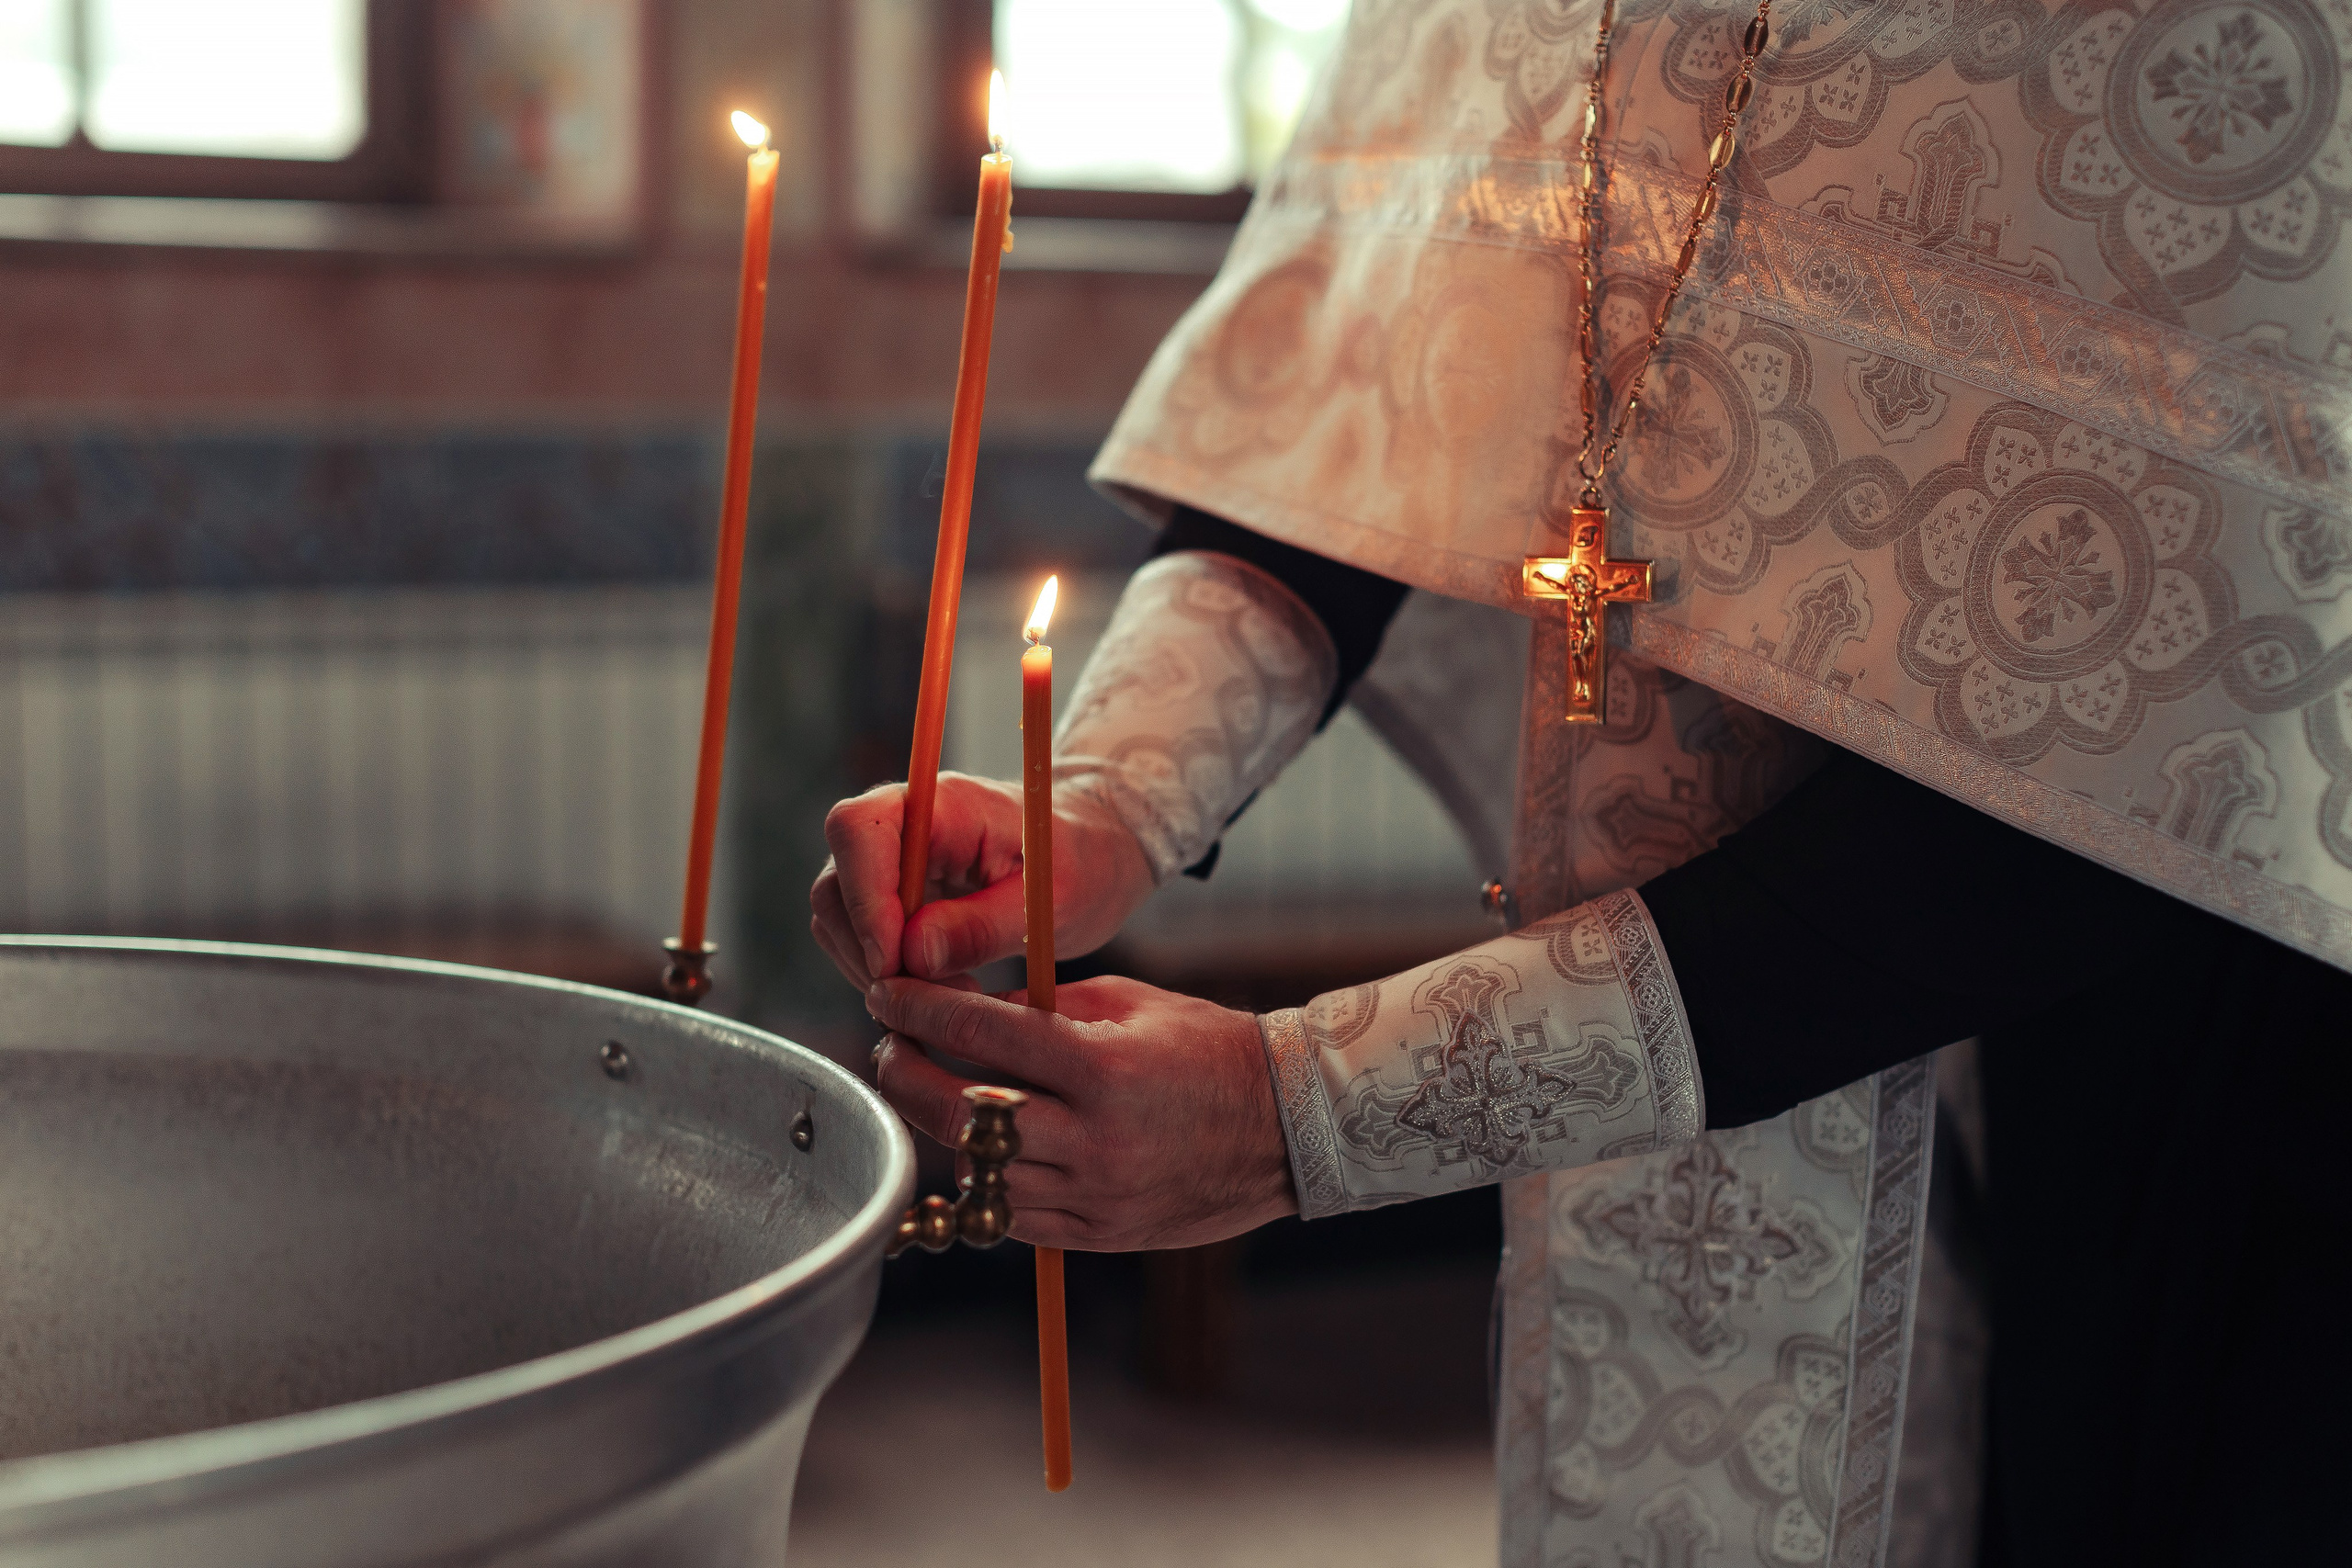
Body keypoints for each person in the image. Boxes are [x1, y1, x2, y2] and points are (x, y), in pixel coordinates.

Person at [814, 2, 2351, 1563]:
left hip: (2216, 1049)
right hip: (1743, 1016)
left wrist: (1305, 1115)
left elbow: (2175, 723)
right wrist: (1104, 802)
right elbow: (1345, 393)